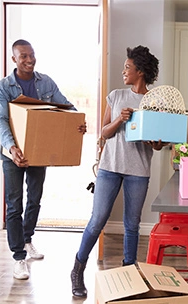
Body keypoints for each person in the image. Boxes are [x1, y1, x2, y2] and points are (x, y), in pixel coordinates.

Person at [70, 45, 164, 298]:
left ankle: (129, 275)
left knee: (132, 225)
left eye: (127, 68)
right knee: (97, 220)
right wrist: (119, 120)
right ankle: (78, 269)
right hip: (110, 168)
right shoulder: (116, 96)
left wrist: (154, 141)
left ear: (140, 72)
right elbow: (103, 132)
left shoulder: (156, 101)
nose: (124, 71)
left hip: (138, 171)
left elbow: (158, 145)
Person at [0, 39, 87, 280]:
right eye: (23, 56)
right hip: (13, 153)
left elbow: (64, 106)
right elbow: (1, 120)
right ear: (14, 59)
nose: (29, 60)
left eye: (32, 55)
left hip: (38, 151)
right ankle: (18, 258)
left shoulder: (45, 82)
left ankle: (27, 240)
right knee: (15, 204)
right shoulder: (4, 87)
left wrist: (76, 122)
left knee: (34, 199)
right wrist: (12, 148)